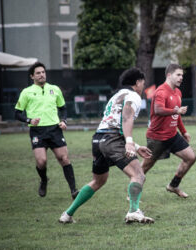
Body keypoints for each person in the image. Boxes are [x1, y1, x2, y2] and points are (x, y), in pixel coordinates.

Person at [58, 68, 154, 224]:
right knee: (138, 175)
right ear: (137, 82)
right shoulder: (134, 96)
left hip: (98, 139)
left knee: (99, 180)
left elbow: (112, 123)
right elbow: (127, 116)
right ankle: (134, 211)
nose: (143, 86)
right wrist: (129, 142)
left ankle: (67, 214)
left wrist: (135, 146)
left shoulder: (116, 96)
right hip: (112, 139)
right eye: (143, 82)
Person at [15, 62, 78, 199]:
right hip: (37, 131)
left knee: (64, 158)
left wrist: (63, 120)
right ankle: (44, 180)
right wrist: (29, 120)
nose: (41, 75)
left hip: (55, 129)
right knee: (41, 161)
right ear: (32, 76)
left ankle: (74, 190)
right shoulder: (26, 92)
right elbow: (18, 113)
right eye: (38, 73)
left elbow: (63, 108)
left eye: (43, 72)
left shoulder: (55, 89)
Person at [141, 64, 196, 198]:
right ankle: (133, 192)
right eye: (178, 75)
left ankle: (173, 185)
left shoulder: (178, 92)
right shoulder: (161, 92)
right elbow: (159, 110)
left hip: (172, 135)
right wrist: (176, 110)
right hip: (157, 137)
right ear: (169, 75)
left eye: (182, 75)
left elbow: (176, 116)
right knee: (145, 167)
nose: (181, 78)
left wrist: (183, 132)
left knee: (191, 158)